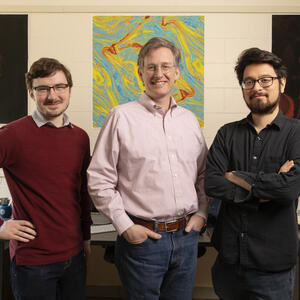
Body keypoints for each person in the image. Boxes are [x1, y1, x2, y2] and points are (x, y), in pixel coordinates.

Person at [87, 37, 209, 300]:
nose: (159, 74)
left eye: (166, 66)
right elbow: (99, 179)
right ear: (140, 72)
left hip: (187, 238)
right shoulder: (121, 116)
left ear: (177, 72)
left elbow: (202, 175)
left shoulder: (189, 121)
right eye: (151, 67)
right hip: (143, 241)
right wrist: (125, 226)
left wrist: (201, 214)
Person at [205, 47, 300, 300]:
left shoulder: (297, 133)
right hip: (229, 262)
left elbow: (289, 188)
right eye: (249, 81)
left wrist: (237, 176)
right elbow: (212, 183)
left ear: (281, 83)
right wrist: (265, 191)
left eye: (265, 80)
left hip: (274, 268)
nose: (257, 87)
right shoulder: (227, 133)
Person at [0, 57, 92, 300]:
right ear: (32, 93)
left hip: (74, 258)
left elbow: (81, 193)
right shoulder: (11, 135)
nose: (53, 96)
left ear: (69, 90)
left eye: (59, 87)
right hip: (33, 263)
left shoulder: (80, 138)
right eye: (43, 89)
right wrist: (0, 227)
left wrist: (85, 237)